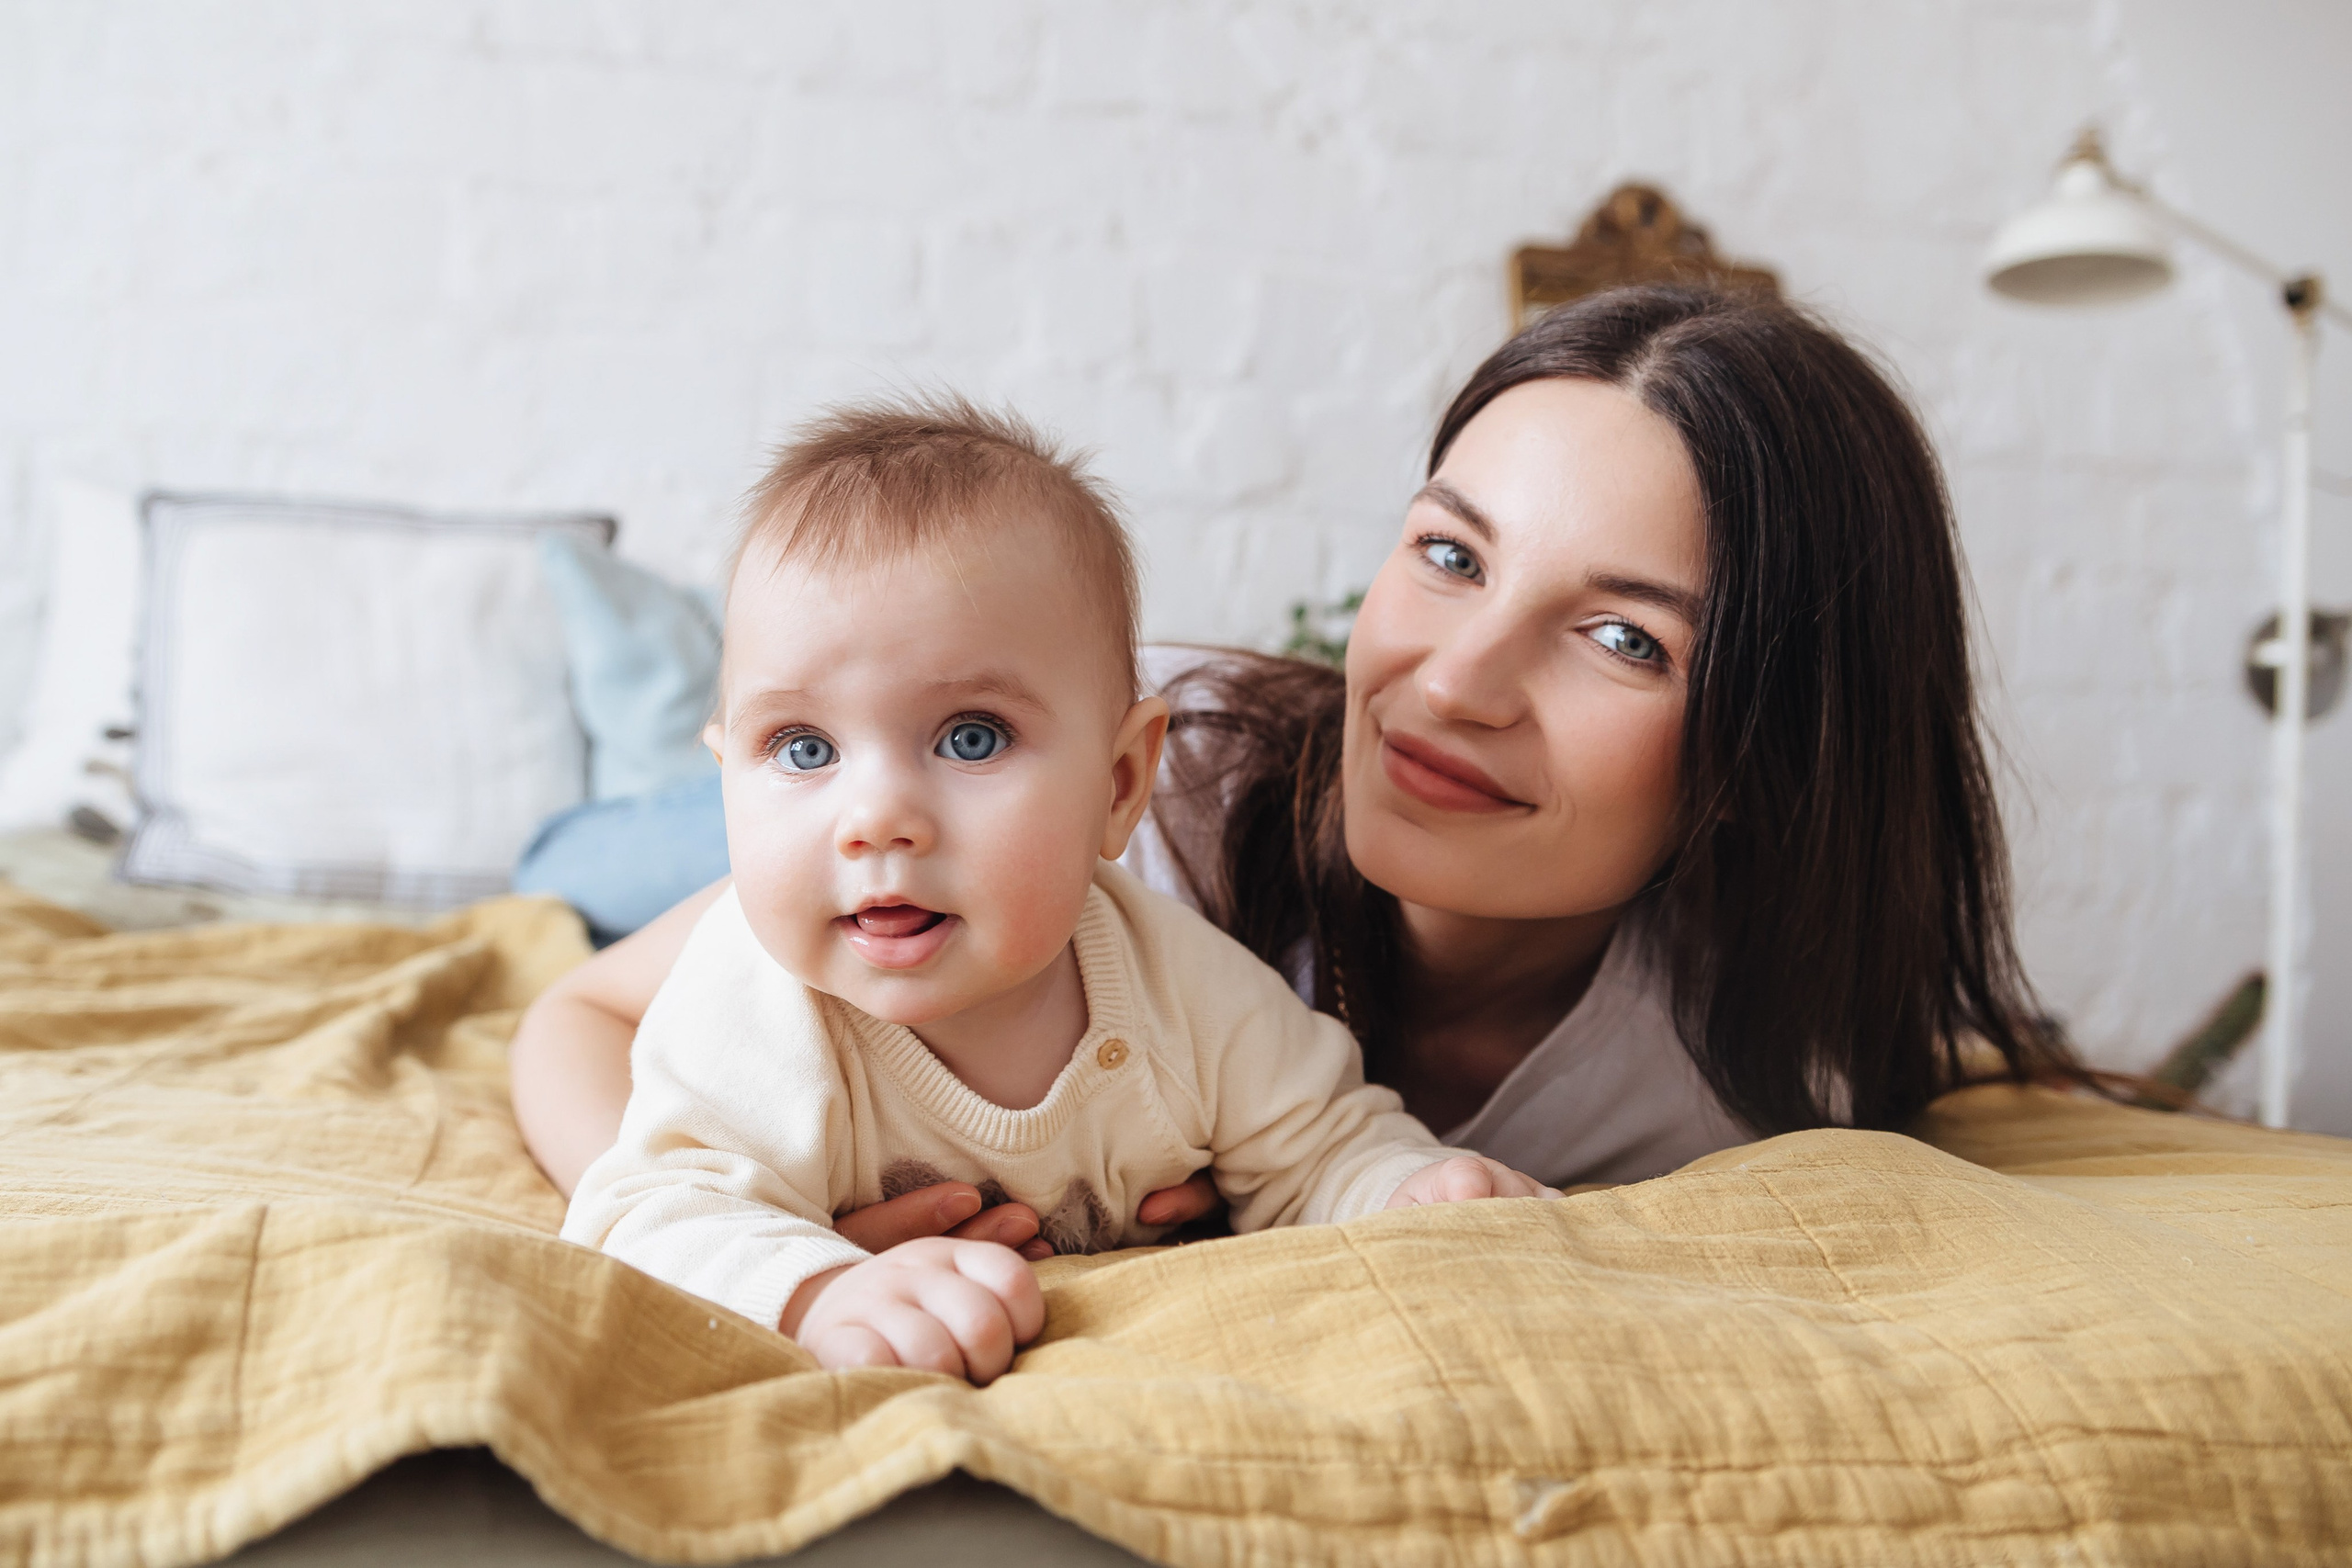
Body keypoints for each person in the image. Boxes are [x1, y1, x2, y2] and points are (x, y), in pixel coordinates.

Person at [514, 284, 2069, 1267]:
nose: (1450, 683)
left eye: (1621, 638)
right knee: (616, 859)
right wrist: (767, 1239)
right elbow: (584, 1013)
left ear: (1767, 753)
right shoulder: (1141, 806)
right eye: (1449, 555)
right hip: (815, 857)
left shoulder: (1740, 1081)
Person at [561, 398, 1550, 1384]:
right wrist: (819, 1291)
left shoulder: (1185, 990)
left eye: (971, 737)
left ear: (1119, 785)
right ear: (727, 780)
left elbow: (1323, 1148)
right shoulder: (755, 1006)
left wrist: (1409, 1189)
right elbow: (648, 1209)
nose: (875, 818)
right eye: (803, 748)